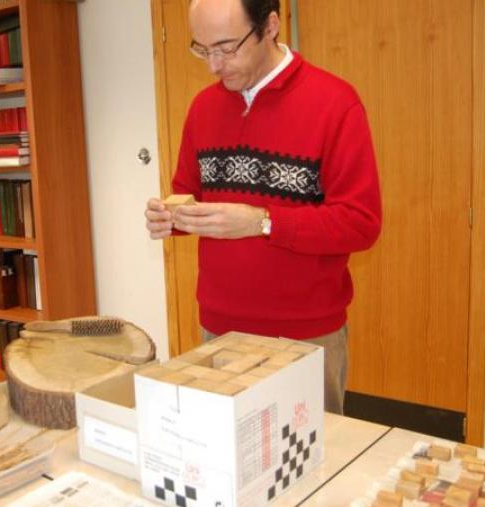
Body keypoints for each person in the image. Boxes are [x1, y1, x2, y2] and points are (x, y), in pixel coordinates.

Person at [144, 0, 381, 414]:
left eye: (227, 47)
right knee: (223, 459)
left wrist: (263, 222)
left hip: (305, 336)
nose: (215, 65)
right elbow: (188, 193)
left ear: (270, 25)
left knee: (307, 468)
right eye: (202, 49)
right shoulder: (203, 108)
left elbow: (360, 223)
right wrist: (170, 217)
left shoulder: (335, 103)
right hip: (218, 328)